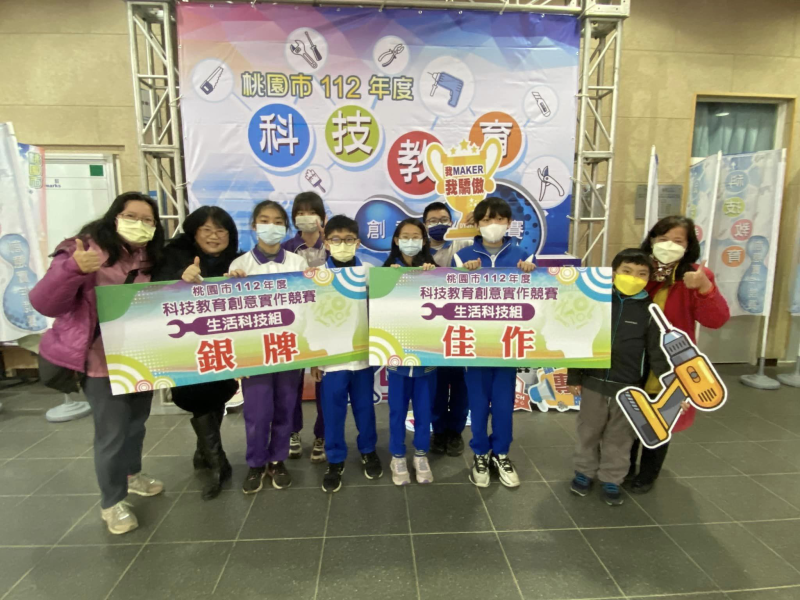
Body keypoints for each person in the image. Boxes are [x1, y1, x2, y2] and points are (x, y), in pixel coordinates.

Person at [30, 191, 166, 535]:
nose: (140, 224)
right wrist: (73, 269)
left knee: (136, 424)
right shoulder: (84, 250)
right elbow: (44, 302)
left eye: (148, 220)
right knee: (112, 433)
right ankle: (112, 502)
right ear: (114, 216)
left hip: (141, 357)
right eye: (132, 216)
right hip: (100, 360)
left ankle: (132, 475)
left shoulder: (150, 255)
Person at [626, 215, 730, 494]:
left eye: (677, 241)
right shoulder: (638, 269)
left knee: (663, 414)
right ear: (651, 240)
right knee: (629, 410)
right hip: (633, 356)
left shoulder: (694, 276)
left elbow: (716, 320)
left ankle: (648, 473)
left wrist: (704, 288)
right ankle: (623, 466)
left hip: (671, 359)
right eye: (663, 239)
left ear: (688, 245)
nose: (669, 245)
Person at [567, 248, 670, 506]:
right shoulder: (596, 302)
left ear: (649, 278)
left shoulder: (651, 312)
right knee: (588, 431)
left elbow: (657, 354)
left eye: (641, 273)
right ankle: (584, 472)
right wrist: (574, 377)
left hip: (628, 388)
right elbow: (579, 339)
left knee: (620, 436)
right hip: (593, 382)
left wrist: (671, 387)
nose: (633, 277)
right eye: (627, 271)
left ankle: (612, 478)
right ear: (614, 273)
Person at [152, 206, 240, 500]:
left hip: (222, 345)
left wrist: (241, 280)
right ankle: (219, 462)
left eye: (221, 231)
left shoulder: (235, 259)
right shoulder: (173, 255)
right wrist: (179, 277)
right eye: (207, 230)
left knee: (218, 392)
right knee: (197, 395)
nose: (214, 237)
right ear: (193, 232)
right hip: (184, 345)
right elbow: (153, 291)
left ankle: (204, 451)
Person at [453, 197, 536, 488]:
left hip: (507, 344)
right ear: (477, 224)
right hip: (474, 345)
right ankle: (480, 454)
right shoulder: (463, 256)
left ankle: (500, 453)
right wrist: (461, 275)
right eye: (487, 220)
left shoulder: (523, 254)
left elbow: (538, 298)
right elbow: (448, 297)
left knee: (502, 405)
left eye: (500, 219)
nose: (493, 225)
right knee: (477, 405)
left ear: (509, 222)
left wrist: (531, 274)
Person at [228, 200, 309, 494]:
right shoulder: (240, 266)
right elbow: (230, 315)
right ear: (254, 226)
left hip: (289, 348)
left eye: (277, 221)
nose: (271, 226)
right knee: (258, 411)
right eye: (264, 220)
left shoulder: (298, 264)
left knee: (286, 408)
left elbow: (307, 307)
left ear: (285, 228)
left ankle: (277, 460)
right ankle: (256, 462)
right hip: (255, 353)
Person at [312, 215, 381, 492]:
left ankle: (368, 450)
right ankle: (335, 459)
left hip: (363, 357)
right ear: (326, 242)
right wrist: (314, 361)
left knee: (365, 409)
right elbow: (310, 320)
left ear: (358, 242)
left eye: (349, 239)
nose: (343, 244)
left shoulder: (369, 272)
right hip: (331, 361)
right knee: (333, 412)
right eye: (336, 240)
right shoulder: (316, 276)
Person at [381, 219, 437, 485]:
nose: (411, 241)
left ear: (424, 241)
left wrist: (433, 276)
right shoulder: (386, 271)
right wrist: (388, 282)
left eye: (416, 236)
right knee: (397, 411)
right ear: (396, 240)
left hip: (427, 358)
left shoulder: (433, 269)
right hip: (398, 360)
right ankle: (398, 456)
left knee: (424, 411)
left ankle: (421, 455)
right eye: (405, 236)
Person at [282, 192, 328, 464]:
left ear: (322, 217)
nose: (306, 217)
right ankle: (292, 432)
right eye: (301, 212)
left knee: (324, 381)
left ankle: (321, 434)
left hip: (327, 321)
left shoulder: (332, 246)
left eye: (312, 212)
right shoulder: (285, 248)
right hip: (294, 322)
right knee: (291, 383)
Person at [423, 202, 470, 457]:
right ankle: (438, 431)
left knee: (460, 383)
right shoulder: (418, 251)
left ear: (451, 223)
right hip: (430, 332)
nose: (438, 224)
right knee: (437, 385)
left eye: (443, 219)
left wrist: (473, 227)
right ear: (424, 225)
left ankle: (455, 432)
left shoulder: (461, 245)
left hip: (460, 327)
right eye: (432, 220)